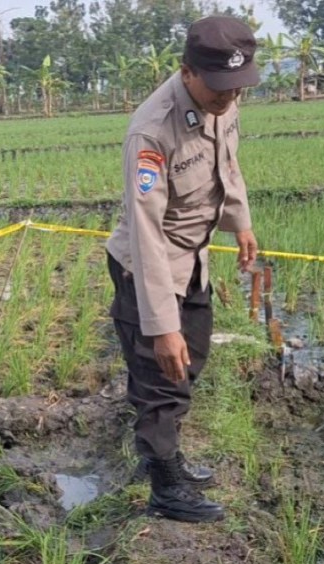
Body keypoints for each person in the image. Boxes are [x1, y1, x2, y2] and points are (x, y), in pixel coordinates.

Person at [105, 15, 260, 523]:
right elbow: (146, 234)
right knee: (160, 375)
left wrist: (240, 223)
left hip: (194, 255)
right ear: (187, 71)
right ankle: (165, 486)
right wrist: (161, 325)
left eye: (237, 87)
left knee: (191, 360)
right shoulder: (152, 132)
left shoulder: (224, 98)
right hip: (149, 267)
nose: (229, 98)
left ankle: (162, 452)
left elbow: (227, 164)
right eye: (219, 88)